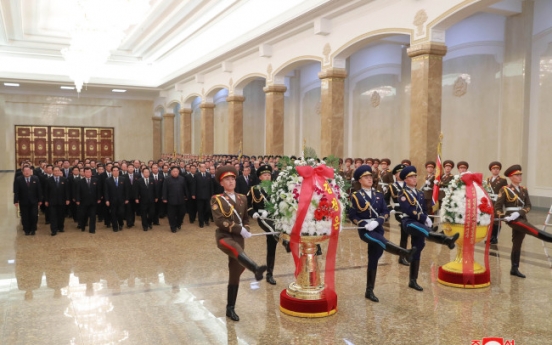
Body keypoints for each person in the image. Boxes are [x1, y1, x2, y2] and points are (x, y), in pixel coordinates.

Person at [350, 165, 417, 302]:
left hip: (378, 228)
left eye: (370, 177)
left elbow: (385, 212)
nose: (369, 179)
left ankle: (369, 290)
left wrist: (378, 221)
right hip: (366, 230)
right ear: (359, 180)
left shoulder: (379, 195)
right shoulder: (356, 196)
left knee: (374, 258)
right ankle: (404, 253)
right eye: (366, 177)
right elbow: (352, 215)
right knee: (380, 241)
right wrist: (363, 224)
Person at [211, 166, 267, 321]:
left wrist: (246, 229)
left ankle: (230, 308)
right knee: (235, 249)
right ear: (221, 183)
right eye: (227, 179)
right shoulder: (217, 199)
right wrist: (238, 229)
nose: (231, 181)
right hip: (224, 237)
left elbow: (245, 219)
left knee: (235, 273)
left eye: (233, 178)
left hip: (239, 239)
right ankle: (255, 268)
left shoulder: (243, 197)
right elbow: (219, 221)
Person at [398, 166, 459, 291]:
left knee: (418, 249)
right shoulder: (403, 193)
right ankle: (446, 240)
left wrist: (427, 217)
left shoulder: (420, 193)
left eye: (415, 176)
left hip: (419, 221)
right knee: (425, 231)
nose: (414, 178)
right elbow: (408, 210)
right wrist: (423, 218)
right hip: (409, 222)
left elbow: (424, 209)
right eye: (411, 177)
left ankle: (413, 280)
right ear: (405, 180)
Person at [494, 165, 552, 278]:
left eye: (520, 175)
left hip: (521, 217)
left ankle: (514, 268)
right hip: (512, 219)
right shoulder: (504, 189)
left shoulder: (524, 189)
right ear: (511, 177)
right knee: (531, 229)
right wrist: (504, 216)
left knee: (517, 244)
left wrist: (520, 213)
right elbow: (498, 207)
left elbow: (529, 205)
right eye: (517, 175)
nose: (520, 177)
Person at [247, 164, 288, 285]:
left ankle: (270, 274)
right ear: (260, 177)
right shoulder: (254, 189)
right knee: (272, 229)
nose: (267, 177)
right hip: (263, 218)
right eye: (265, 175)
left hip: (275, 217)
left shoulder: (276, 188)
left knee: (271, 247)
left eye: (269, 174)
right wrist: (253, 213)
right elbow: (248, 205)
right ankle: (285, 242)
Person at [384, 164, 410, 265]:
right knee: (405, 232)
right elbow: (385, 199)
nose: (401, 174)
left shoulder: (408, 185)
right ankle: (402, 256)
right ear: (395, 174)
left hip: (410, 210)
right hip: (399, 211)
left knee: (408, 233)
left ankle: (407, 254)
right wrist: (390, 208)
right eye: (399, 173)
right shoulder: (391, 186)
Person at [13, 166, 42, 235]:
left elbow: (39, 190)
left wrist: (40, 200)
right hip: (23, 201)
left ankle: (33, 229)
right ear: (23, 172)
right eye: (25, 171)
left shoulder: (35, 178)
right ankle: (26, 229)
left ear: (30, 171)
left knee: (34, 215)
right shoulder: (19, 179)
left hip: (34, 201)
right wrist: (16, 200)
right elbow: (16, 191)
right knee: (25, 216)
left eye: (28, 171)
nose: (27, 172)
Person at [486, 161, 508, 244]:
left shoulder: (503, 180)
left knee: (497, 220)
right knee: (490, 220)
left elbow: (505, 191)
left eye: (497, 169)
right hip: (489, 201)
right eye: (494, 169)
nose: (496, 170)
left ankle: (495, 237)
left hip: (498, 202)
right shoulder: (488, 179)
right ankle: (490, 236)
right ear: (491, 170)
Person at [44, 167, 70, 236]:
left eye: (58, 171)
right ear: (52, 171)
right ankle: (53, 230)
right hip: (52, 201)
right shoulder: (48, 180)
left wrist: (67, 199)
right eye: (55, 171)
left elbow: (67, 191)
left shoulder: (64, 179)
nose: (56, 172)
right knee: (53, 216)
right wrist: (46, 200)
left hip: (62, 201)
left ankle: (60, 227)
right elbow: (46, 191)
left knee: (61, 215)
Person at [74, 167, 101, 234]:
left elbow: (98, 191)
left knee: (93, 216)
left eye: (89, 172)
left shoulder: (96, 180)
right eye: (86, 172)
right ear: (84, 173)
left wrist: (99, 198)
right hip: (83, 202)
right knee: (83, 215)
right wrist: (77, 200)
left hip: (93, 201)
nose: (88, 173)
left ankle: (92, 229)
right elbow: (77, 192)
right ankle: (82, 226)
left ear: (91, 173)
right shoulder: (80, 181)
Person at [162, 167, 188, 233]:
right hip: (171, 200)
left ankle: (178, 224)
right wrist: (164, 198)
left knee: (182, 213)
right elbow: (164, 189)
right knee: (171, 215)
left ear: (178, 172)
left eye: (177, 171)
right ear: (171, 172)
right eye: (174, 171)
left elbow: (185, 188)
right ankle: (173, 227)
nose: (175, 172)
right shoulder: (167, 179)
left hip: (181, 199)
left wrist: (186, 196)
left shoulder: (182, 179)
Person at [104, 166, 128, 232]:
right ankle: (115, 226)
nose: (115, 172)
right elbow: (106, 191)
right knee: (113, 214)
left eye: (117, 170)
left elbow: (126, 190)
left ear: (119, 171)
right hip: (112, 200)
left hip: (121, 200)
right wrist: (107, 200)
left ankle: (121, 223)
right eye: (114, 170)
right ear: (112, 172)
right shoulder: (108, 180)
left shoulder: (123, 179)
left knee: (121, 213)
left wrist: (126, 199)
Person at [193, 163, 213, 228]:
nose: (203, 168)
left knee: (207, 209)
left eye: (204, 167)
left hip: (207, 195)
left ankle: (206, 220)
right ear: (199, 168)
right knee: (200, 209)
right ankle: (201, 222)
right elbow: (194, 185)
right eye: (202, 167)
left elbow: (211, 186)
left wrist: (212, 194)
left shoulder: (208, 175)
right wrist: (193, 194)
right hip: (199, 195)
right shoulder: (196, 175)